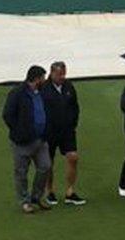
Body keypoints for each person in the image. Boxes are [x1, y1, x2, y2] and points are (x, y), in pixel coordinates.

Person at [2, 65, 52, 214]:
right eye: (43, 77)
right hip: (22, 142)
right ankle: (25, 201)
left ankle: (36, 197)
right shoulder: (17, 93)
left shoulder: (42, 92)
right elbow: (7, 115)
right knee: (21, 172)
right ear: (36, 79)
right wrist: (18, 132)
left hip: (40, 140)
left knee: (45, 166)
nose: (44, 80)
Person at [41, 61, 85, 206]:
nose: (62, 77)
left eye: (64, 74)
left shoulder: (68, 86)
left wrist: (73, 122)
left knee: (73, 157)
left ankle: (70, 192)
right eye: (59, 74)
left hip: (67, 130)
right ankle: (50, 191)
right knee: (49, 162)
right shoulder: (44, 88)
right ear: (51, 73)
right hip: (49, 131)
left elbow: (75, 106)